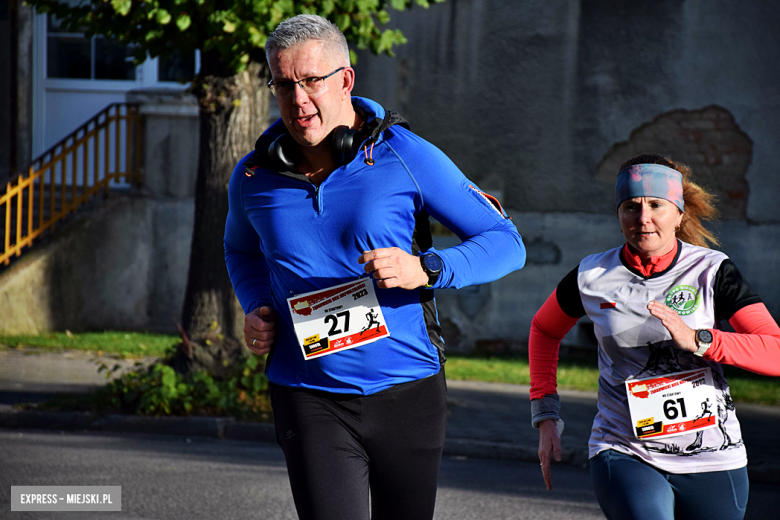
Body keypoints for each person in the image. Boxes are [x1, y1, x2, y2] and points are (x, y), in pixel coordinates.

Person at [223, 14, 526, 520]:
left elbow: (506, 242)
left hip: (406, 390)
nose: (298, 100)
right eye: (283, 84)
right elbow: (241, 251)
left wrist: (426, 268)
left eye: (312, 81)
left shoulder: (404, 155)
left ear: (345, 80)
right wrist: (255, 305)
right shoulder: (253, 174)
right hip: (307, 393)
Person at [528, 153, 780, 520]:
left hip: (714, 455)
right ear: (618, 215)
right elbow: (544, 329)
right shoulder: (592, 275)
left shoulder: (712, 271)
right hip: (625, 449)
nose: (643, 218)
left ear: (679, 215)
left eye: (656, 205)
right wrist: (545, 414)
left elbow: (774, 351)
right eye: (631, 206)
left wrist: (702, 341)